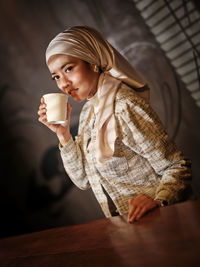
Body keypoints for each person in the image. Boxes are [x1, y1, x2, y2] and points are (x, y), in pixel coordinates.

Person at [38, 26, 192, 223]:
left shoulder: (122, 104)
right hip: (133, 234)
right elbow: (84, 180)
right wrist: (63, 134)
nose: (63, 84)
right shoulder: (89, 112)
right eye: (56, 77)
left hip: (168, 224)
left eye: (69, 68)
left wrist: (160, 201)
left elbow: (177, 166)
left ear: (93, 62)